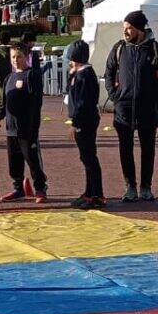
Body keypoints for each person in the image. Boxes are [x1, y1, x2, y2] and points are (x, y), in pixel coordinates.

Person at [104, 10, 158, 202]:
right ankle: (130, 187)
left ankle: (146, 187)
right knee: (125, 149)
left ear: (140, 29)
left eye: (129, 28)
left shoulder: (157, 49)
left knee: (148, 150)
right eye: (124, 28)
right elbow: (109, 73)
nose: (125, 31)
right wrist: (114, 95)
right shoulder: (119, 48)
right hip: (123, 109)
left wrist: (154, 96)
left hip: (147, 109)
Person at [0, 42, 48, 202]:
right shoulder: (9, 78)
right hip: (11, 128)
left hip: (27, 128)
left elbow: (36, 104)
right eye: (13, 57)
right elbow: (4, 101)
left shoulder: (32, 76)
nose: (16, 60)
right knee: (14, 162)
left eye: (19, 56)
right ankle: (18, 188)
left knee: (32, 160)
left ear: (27, 57)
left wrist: (33, 128)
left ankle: (40, 188)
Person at [64, 40, 104, 208]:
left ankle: (97, 195)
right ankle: (89, 192)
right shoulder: (79, 74)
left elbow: (82, 102)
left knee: (89, 158)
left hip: (85, 121)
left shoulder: (85, 75)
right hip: (84, 119)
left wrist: (75, 122)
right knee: (86, 157)